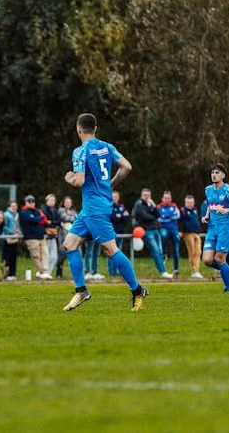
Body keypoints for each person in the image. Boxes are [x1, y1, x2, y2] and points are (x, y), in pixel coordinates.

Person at [61, 113, 148, 312]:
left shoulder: (80, 151)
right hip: (92, 208)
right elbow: (127, 166)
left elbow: (79, 181)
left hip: (94, 209)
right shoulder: (106, 147)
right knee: (70, 244)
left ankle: (137, 290)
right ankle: (81, 290)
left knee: (110, 249)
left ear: (78, 129)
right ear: (96, 128)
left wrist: (69, 178)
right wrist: (110, 184)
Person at [201, 163, 229, 292]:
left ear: (223, 175)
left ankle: (228, 288)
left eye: (217, 173)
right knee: (207, 260)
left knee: (219, 259)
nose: (214, 175)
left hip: (225, 228)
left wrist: (227, 210)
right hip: (212, 228)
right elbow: (210, 204)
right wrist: (207, 215)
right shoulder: (208, 189)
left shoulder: (228, 191)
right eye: (212, 173)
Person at [132, 188, 170, 278]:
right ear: (141, 195)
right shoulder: (139, 204)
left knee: (160, 252)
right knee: (155, 251)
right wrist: (154, 218)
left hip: (155, 230)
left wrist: (154, 206)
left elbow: (158, 215)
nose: (146, 197)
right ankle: (163, 272)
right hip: (147, 231)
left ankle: (163, 270)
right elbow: (144, 216)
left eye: (148, 195)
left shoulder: (150, 204)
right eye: (145, 195)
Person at [20, 195, 51, 279]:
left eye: (33, 201)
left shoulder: (37, 211)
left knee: (45, 254)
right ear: (26, 203)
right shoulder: (24, 212)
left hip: (41, 236)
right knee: (36, 256)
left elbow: (44, 220)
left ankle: (44, 272)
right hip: (31, 237)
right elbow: (32, 220)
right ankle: (41, 272)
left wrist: (39, 218)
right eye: (29, 201)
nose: (31, 203)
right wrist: (40, 218)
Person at [157, 191, 182, 277]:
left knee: (176, 249)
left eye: (169, 198)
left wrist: (165, 216)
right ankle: (164, 254)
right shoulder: (158, 207)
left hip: (174, 229)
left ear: (171, 199)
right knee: (163, 235)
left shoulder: (174, 206)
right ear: (162, 199)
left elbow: (177, 216)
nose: (167, 200)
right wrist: (169, 216)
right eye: (165, 198)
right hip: (163, 228)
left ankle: (176, 270)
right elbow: (159, 218)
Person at [179, 195, 203, 278]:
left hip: (197, 233)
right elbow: (180, 221)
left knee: (198, 252)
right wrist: (180, 231)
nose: (189, 204)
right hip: (188, 233)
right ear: (185, 203)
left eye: (191, 202)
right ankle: (194, 271)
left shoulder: (195, 210)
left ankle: (197, 270)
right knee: (192, 252)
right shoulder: (182, 210)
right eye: (188, 202)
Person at [56, 196, 77, 277]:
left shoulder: (73, 211)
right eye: (66, 202)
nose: (68, 204)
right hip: (63, 236)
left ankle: (74, 273)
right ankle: (59, 272)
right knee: (62, 254)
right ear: (64, 203)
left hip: (73, 236)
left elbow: (77, 219)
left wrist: (72, 219)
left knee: (73, 255)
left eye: (69, 202)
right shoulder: (61, 210)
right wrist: (73, 218)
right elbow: (64, 218)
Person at [41, 194, 61, 277]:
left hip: (54, 235)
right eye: (51, 200)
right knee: (46, 255)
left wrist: (51, 222)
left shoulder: (55, 210)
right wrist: (53, 222)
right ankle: (44, 272)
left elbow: (58, 221)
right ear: (47, 200)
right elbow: (45, 220)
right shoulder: (43, 209)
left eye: (54, 200)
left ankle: (48, 272)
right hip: (46, 235)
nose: (52, 202)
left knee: (54, 256)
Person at [2, 201, 20, 280]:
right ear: (9, 207)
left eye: (15, 206)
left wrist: (18, 233)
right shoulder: (6, 215)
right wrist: (11, 232)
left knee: (13, 256)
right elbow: (3, 226)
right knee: (6, 256)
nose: (14, 207)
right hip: (8, 237)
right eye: (12, 206)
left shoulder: (17, 215)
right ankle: (5, 274)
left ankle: (12, 274)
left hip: (15, 237)